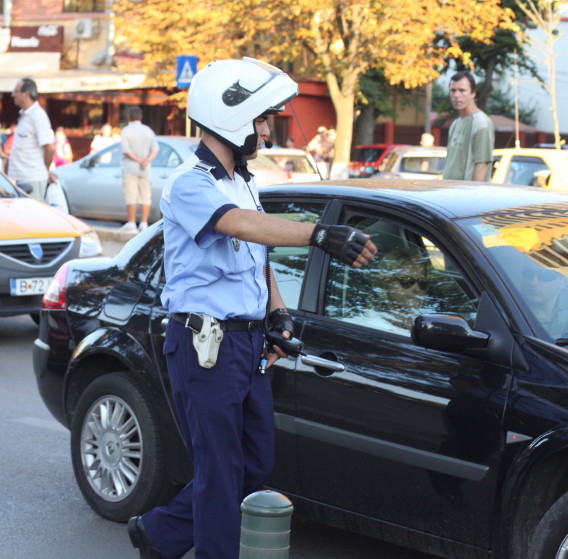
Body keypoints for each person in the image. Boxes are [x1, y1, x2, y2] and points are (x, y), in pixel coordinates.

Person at [126, 57, 377, 559]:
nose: (266, 131)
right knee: (220, 472)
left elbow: (258, 255)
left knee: (254, 463)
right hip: (205, 345)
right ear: (231, 117)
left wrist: (278, 315)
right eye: (261, 119)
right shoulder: (190, 182)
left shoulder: (243, 181)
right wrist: (319, 234)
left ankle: (160, 533)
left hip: (247, 343)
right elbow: (239, 225)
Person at [7, 78, 57, 201]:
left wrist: (45, 170)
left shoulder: (38, 115)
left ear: (26, 94)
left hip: (32, 179)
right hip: (20, 178)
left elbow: (49, 148)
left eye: (16, 91)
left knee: (32, 213)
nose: (13, 95)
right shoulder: (25, 114)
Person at [442, 71, 494, 182]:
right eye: (453, 90)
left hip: (465, 191)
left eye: (462, 90)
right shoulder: (455, 124)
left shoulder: (481, 123)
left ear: (473, 93)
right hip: (448, 190)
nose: (456, 95)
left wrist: (472, 193)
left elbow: (481, 167)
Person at [119, 106, 159, 232]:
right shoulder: (148, 130)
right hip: (145, 168)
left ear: (129, 117)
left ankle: (131, 223)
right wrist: (146, 160)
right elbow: (155, 149)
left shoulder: (126, 130)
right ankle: (144, 223)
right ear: (141, 117)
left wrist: (138, 160)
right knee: (145, 195)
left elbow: (126, 150)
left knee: (130, 195)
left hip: (130, 167)